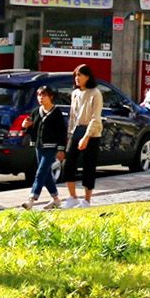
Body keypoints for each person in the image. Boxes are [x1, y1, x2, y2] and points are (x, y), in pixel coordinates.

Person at [61, 65, 103, 208]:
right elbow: (72, 116)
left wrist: (86, 137)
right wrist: (70, 135)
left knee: (88, 166)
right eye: (76, 75)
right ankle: (72, 196)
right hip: (76, 131)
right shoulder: (75, 93)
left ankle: (87, 200)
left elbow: (95, 117)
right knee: (68, 164)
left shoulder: (95, 93)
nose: (77, 78)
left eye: (80, 75)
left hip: (92, 133)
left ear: (88, 76)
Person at [22, 85, 67, 210]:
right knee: (46, 174)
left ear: (51, 97)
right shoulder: (36, 112)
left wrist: (61, 149)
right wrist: (25, 126)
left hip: (51, 147)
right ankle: (56, 199)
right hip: (39, 147)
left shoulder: (56, 113)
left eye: (44, 95)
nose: (41, 98)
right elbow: (32, 130)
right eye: (39, 95)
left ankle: (31, 199)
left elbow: (61, 132)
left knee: (41, 172)